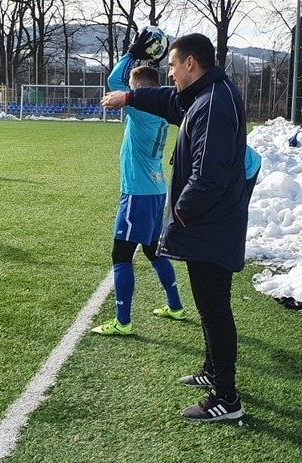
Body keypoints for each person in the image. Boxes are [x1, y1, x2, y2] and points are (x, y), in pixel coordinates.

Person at [101, 33, 248, 421]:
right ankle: (212, 371)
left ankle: (227, 399)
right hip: (211, 222)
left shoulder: (214, 102)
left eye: (172, 65)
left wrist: (178, 216)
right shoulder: (204, 94)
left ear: (190, 64)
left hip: (210, 224)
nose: (170, 73)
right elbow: (167, 100)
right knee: (208, 305)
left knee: (215, 309)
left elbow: (209, 177)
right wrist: (130, 97)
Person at [91, 30, 186, 336]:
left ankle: (123, 321)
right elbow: (122, 85)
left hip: (138, 193)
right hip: (155, 189)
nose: (126, 94)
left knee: (120, 255)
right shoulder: (159, 109)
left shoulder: (143, 107)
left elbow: (113, 83)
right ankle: (175, 305)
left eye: (133, 89)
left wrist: (133, 52)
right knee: (151, 251)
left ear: (142, 91)